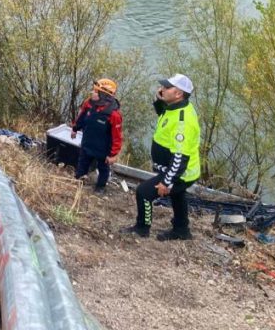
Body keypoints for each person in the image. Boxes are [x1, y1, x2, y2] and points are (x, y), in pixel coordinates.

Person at [123, 73, 201, 241]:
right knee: (177, 195)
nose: (162, 89)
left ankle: (142, 228)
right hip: (177, 171)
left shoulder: (183, 123)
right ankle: (182, 229)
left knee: (144, 192)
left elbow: (180, 158)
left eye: (167, 87)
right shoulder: (176, 106)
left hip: (181, 173)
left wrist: (167, 181)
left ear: (178, 93)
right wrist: (160, 99)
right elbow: (162, 113)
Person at [70, 78, 123, 195]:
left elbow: (117, 137)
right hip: (87, 142)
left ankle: (100, 187)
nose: (92, 93)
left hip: (103, 150)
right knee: (82, 162)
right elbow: (81, 117)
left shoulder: (114, 114)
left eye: (95, 91)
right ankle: (79, 179)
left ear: (104, 95)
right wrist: (75, 129)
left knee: (103, 169)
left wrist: (113, 155)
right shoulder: (89, 103)